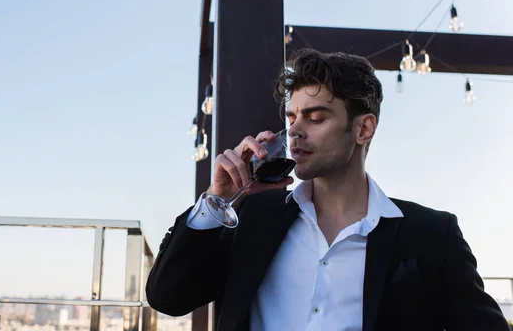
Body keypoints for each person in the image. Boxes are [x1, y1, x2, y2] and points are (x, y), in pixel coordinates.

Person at [145, 48, 509, 331]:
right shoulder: (254, 218)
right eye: (292, 118)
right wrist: (216, 200)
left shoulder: (431, 234)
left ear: (364, 129)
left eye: (316, 118)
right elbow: (168, 297)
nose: (297, 131)